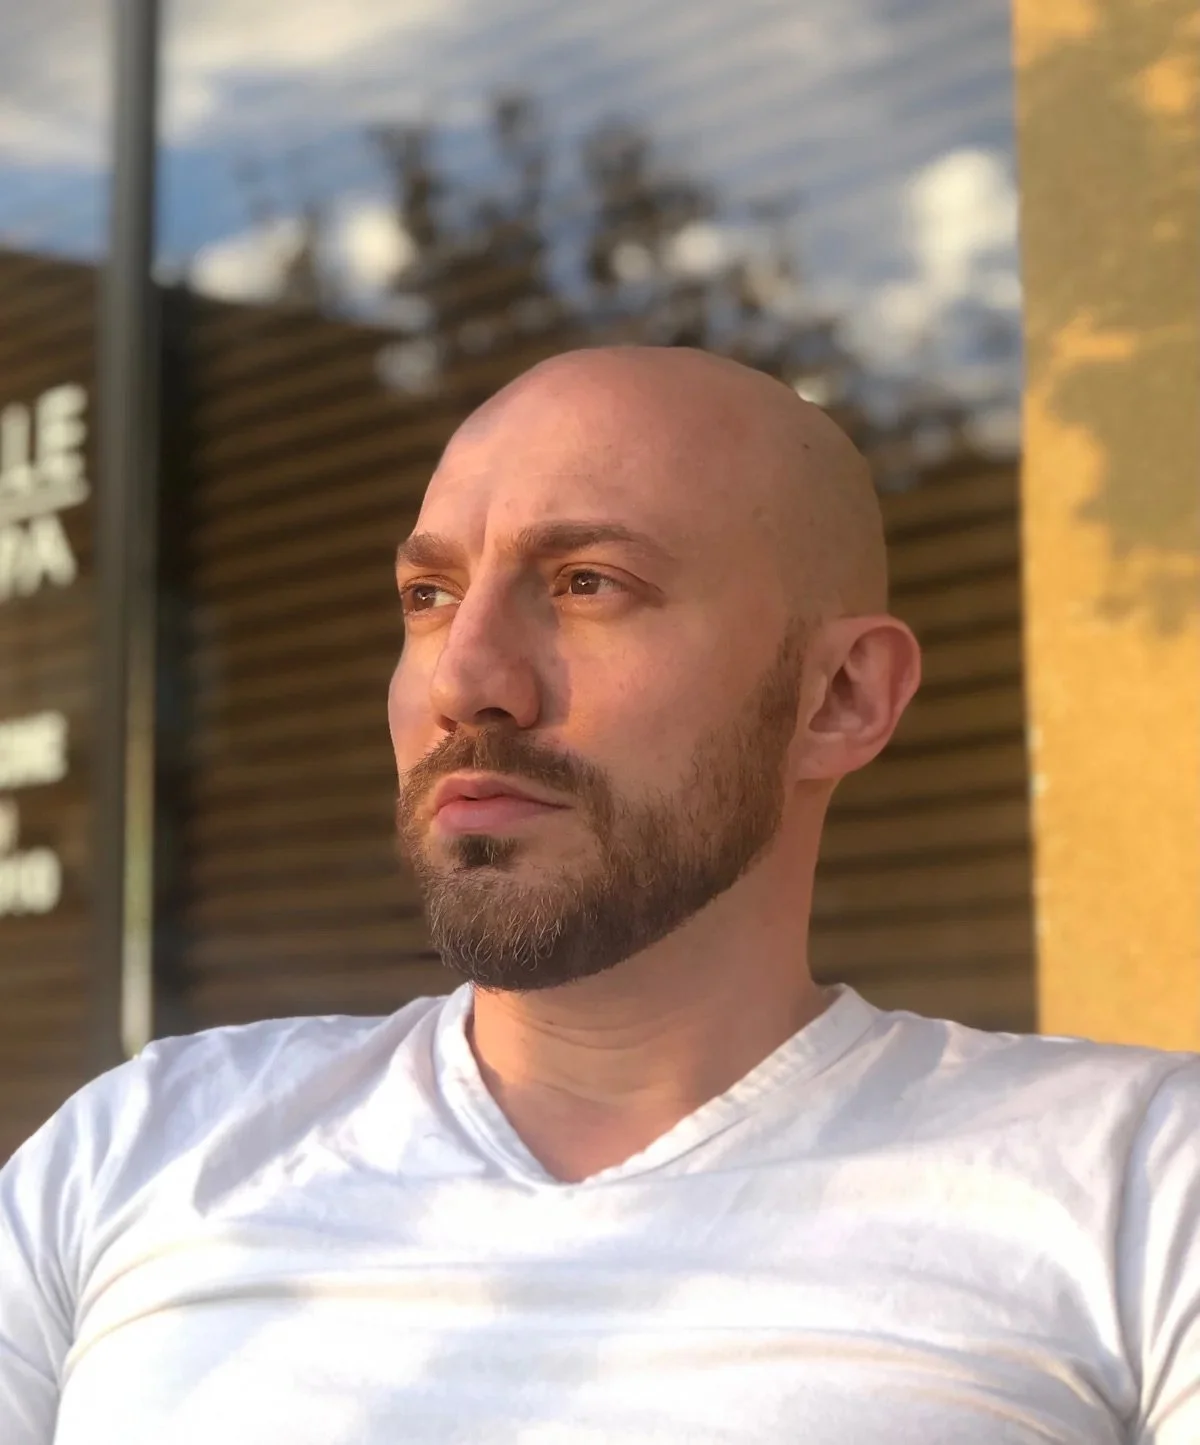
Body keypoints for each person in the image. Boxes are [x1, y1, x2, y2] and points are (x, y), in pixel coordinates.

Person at [1, 346, 1197, 1444]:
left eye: (586, 582)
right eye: (427, 596)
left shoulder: (1137, 1183)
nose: (466, 678)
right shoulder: (143, 1149)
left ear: (838, 695)